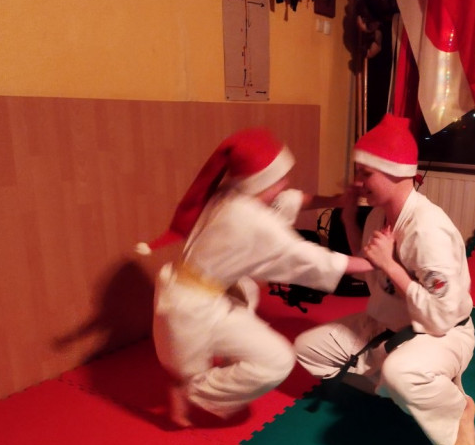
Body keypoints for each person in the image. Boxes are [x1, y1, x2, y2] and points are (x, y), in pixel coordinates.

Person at [136, 127, 373, 428]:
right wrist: (368, 263)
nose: (285, 184)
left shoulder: (230, 193)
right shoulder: (247, 219)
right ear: (259, 183)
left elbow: (290, 200)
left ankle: (193, 382)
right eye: (279, 180)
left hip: (204, 294)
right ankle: (190, 389)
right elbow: (304, 256)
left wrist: (337, 201)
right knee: (219, 368)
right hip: (190, 309)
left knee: (260, 327)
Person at [294, 114, 475, 445]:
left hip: (439, 334)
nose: (358, 182)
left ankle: (460, 408)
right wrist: (349, 219)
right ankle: (398, 387)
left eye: (366, 174)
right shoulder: (380, 216)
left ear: (395, 172)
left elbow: (441, 317)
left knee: (400, 375)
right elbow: (370, 271)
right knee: (307, 349)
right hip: (386, 325)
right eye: (358, 172)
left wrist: (392, 266)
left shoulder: (428, 231)